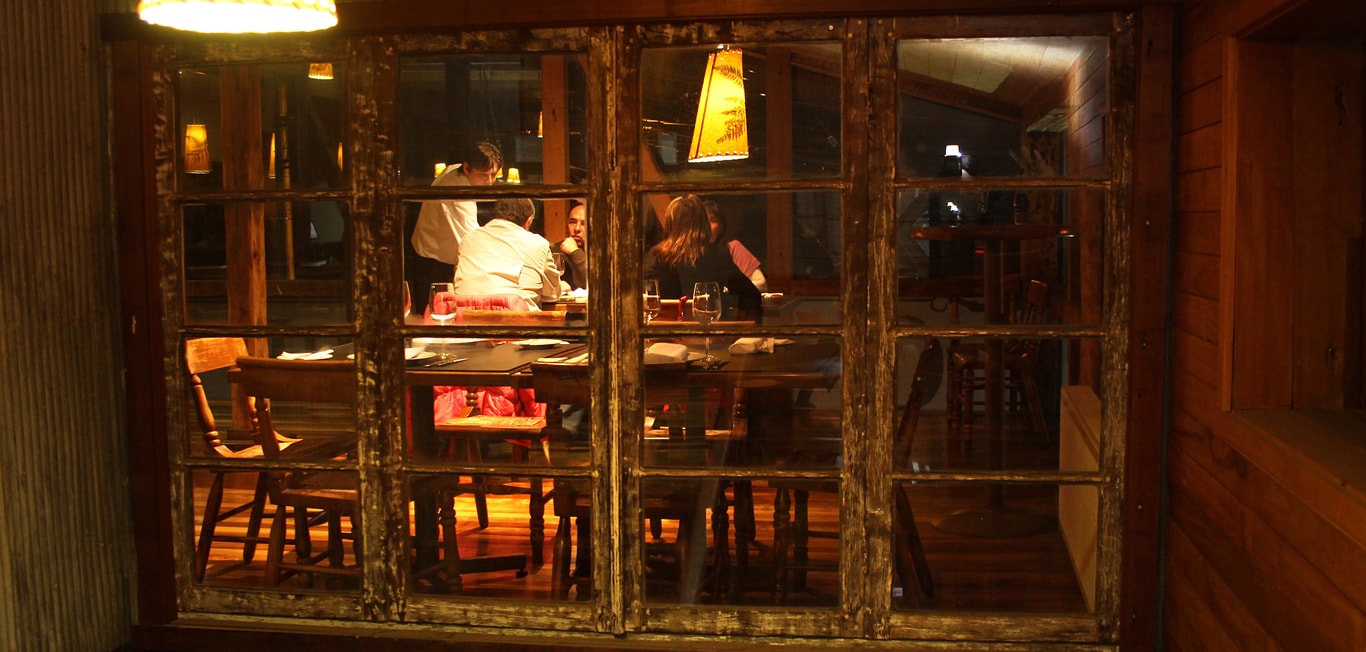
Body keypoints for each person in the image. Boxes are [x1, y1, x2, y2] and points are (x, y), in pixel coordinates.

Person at [409, 141, 502, 313]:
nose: (489, 182)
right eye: (483, 175)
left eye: (493, 175)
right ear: (466, 169)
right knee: (432, 322)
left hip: (437, 258)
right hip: (433, 265)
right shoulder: (457, 193)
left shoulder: (455, 169)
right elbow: (472, 240)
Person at [644, 194, 761, 321]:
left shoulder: (656, 255)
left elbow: (642, 297)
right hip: (707, 333)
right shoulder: (717, 254)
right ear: (703, 222)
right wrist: (723, 299)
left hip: (663, 334)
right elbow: (752, 297)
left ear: (670, 222)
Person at [451, 197, 561, 309]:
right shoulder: (536, 243)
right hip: (516, 321)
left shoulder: (468, 239)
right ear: (528, 221)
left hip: (465, 320)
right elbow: (551, 295)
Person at [703, 200, 768, 292]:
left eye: (713, 221)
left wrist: (728, 290)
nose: (707, 226)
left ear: (721, 226)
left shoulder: (732, 247)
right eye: (704, 221)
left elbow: (761, 284)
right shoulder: (694, 253)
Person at [557, 202, 589, 291]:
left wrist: (575, 252)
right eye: (573, 222)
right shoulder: (554, 251)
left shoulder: (604, 253)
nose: (577, 229)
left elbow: (597, 286)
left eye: (584, 223)